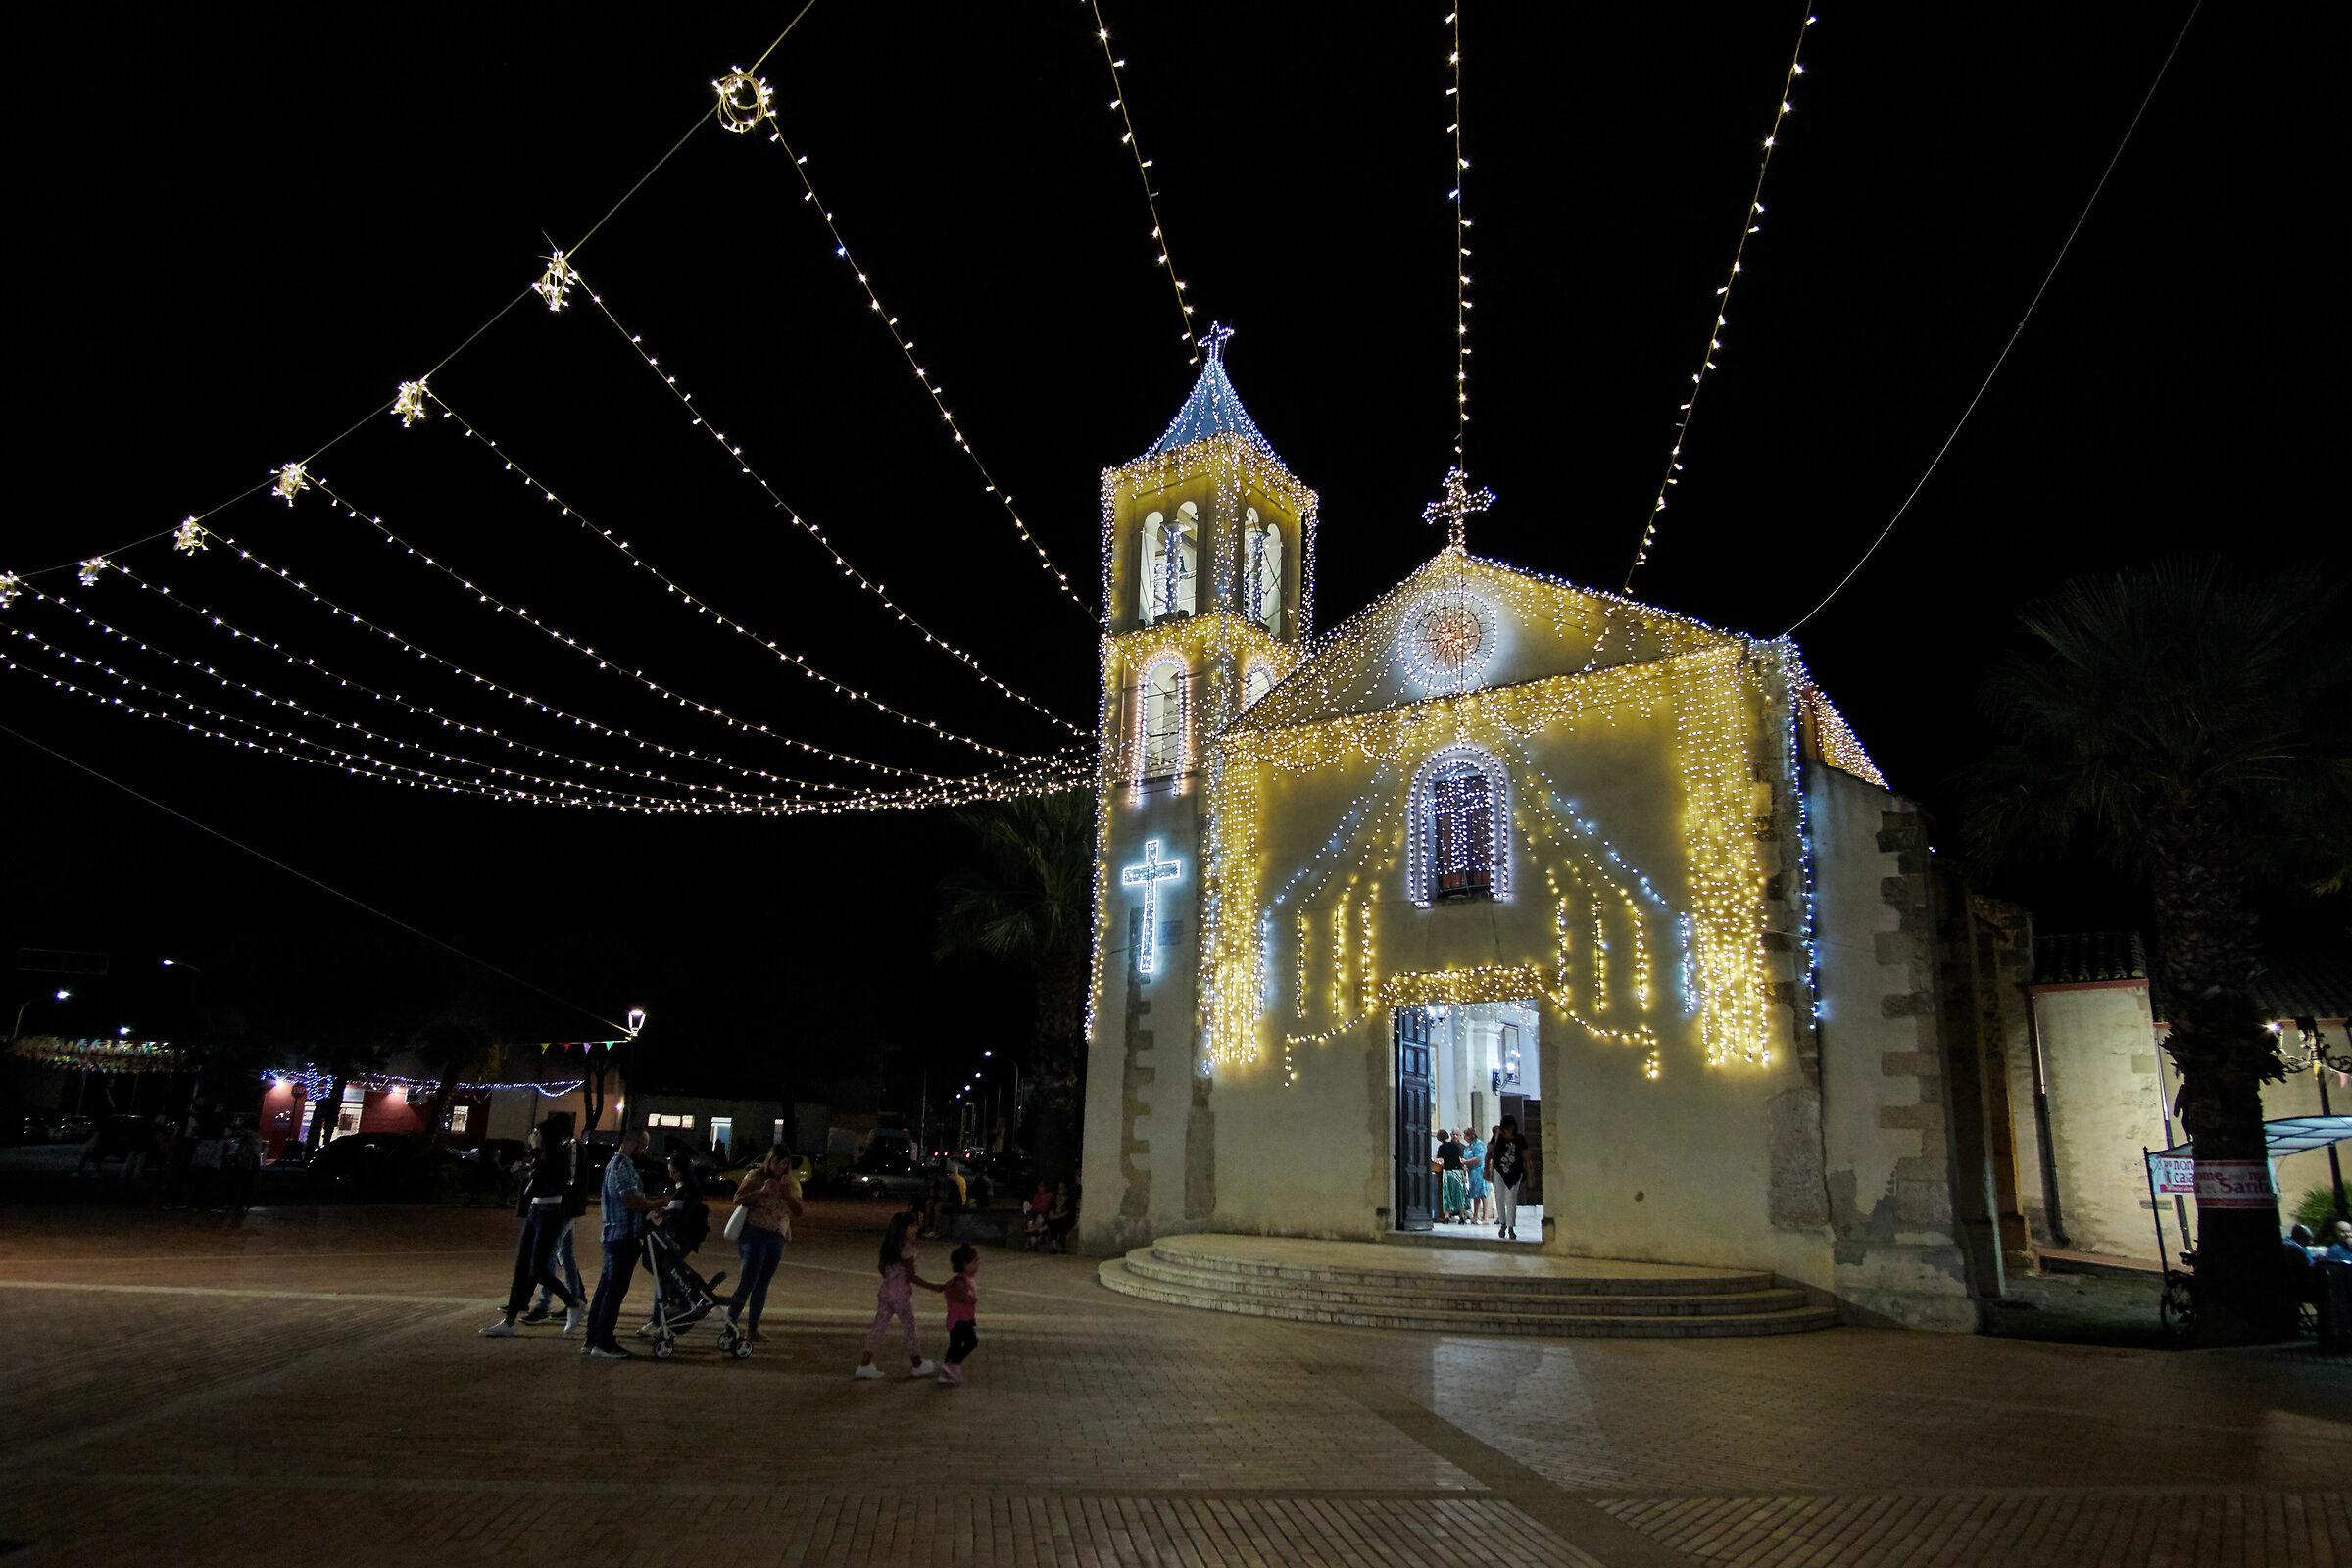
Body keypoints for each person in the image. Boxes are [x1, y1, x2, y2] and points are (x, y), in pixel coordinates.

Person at [483, 1114, 584, 1339]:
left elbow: (545, 1185)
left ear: (545, 1136)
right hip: (535, 1213)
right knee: (522, 1268)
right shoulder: (542, 1157)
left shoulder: (557, 1158)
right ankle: (508, 1321)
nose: (532, 1137)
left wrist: (536, 1159)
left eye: (536, 1133)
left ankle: (573, 1302)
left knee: (538, 1269)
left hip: (550, 1215)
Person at [581, 1128, 665, 1359]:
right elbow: (631, 1201)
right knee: (614, 1292)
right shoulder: (622, 1167)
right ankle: (604, 1342)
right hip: (622, 1237)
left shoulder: (615, 1165)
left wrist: (647, 1205)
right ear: (633, 1143)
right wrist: (654, 1204)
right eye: (643, 1147)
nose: (643, 1152)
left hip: (615, 1236)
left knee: (606, 1289)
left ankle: (593, 1337)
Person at [726, 1148, 805, 1341]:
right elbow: (738, 1198)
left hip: (777, 1236)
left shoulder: (791, 1183)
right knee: (748, 1280)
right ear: (769, 1161)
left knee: (763, 1283)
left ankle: (752, 1329)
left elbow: (799, 1211)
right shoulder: (755, 1176)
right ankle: (730, 1325)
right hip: (754, 1233)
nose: (780, 1167)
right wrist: (762, 1192)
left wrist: (788, 1195)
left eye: (785, 1164)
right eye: (777, 1162)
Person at [854, 1209, 939, 1380]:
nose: (916, 1229)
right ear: (904, 1228)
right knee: (909, 1327)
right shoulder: (908, 1248)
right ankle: (917, 1364)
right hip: (900, 1294)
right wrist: (932, 1286)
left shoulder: (888, 1246)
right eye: (913, 1226)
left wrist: (891, 1277)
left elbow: (881, 1268)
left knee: (878, 1327)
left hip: (885, 1291)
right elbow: (911, 1275)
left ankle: (864, 1364)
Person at [935, 1243, 980, 1387]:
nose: (977, 1265)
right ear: (965, 1265)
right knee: (971, 1341)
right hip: (959, 1320)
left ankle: (946, 1373)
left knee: (955, 1345)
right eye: (974, 1262)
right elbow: (957, 1294)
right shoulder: (960, 1281)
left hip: (961, 1318)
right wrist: (970, 1299)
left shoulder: (963, 1279)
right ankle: (952, 1365)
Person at [1486, 1116, 1528, 1241]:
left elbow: (1526, 1156)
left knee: (1511, 1199)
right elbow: (1489, 1152)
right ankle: (1503, 1223)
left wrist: (1529, 1172)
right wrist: (1485, 1169)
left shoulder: (1519, 1138)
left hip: (1515, 1172)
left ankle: (1511, 1227)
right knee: (1499, 1197)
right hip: (1499, 1171)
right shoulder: (1498, 1137)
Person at [1437, 1129, 1468, 1223]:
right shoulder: (1455, 1146)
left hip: (1448, 1172)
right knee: (1460, 1194)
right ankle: (1462, 1216)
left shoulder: (1442, 1147)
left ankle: (1446, 1216)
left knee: (1447, 1194)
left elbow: (1441, 1161)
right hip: (1459, 1172)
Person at [1462, 1126, 1489, 1224]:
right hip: (1472, 1173)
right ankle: (1475, 1216)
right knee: (1475, 1195)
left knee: (1483, 1193)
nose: (1464, 1137)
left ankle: (1485, 1217)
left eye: (1465, 1135)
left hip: (1480, 1172)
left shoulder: (1479, 1144)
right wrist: (1465, 1165)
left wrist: (1465, 1162)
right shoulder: (1468, 1147)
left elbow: (1478, 1158)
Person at [1045, 1181, 1079, 1254]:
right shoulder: (1054, 1199)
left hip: (1065, 1219)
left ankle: (1054, 1246)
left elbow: (1067, 1212)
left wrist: (1057, 1216)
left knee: (1054, 1223)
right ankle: (1054, 1246)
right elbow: (1051, 1209)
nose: (1061, 1189)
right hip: (1055, 1218)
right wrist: (1053, 1215)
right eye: (1060, 1187)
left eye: (1062, 1187)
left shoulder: (1069, 1199)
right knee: (1052, 1222)